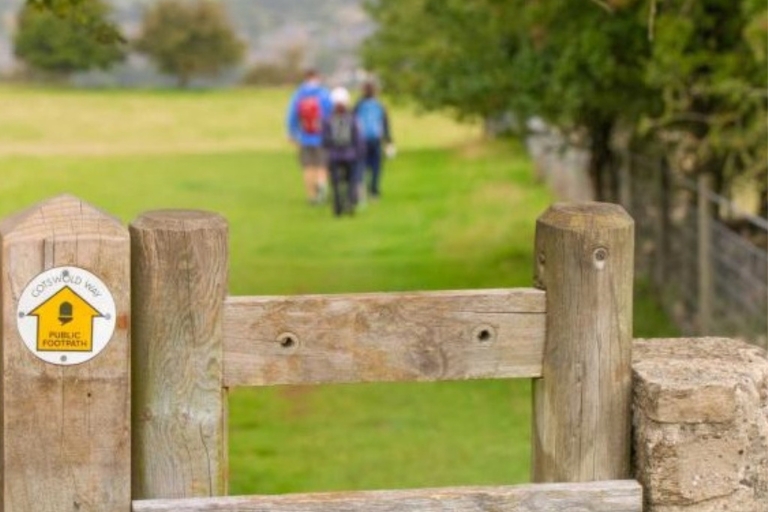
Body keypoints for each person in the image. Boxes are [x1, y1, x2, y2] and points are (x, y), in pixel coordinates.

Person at [286, 69, 333, 204]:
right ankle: (322, 190)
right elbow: (330, 114)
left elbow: (292, 117)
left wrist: (292, 133)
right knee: (322, 166)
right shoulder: (323, 94)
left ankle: (311, 196)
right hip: (322, 137)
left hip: (305, 137)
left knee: (308, 167)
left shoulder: (298, 95)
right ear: (317, 78)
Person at [323, 86, 363, 217]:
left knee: (335, 183)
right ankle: (350, 203)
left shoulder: (328, 119)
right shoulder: (352, 119)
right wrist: (359, 153)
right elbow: (357, 138)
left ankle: (337, 206)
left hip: (334, 156)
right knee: (351, 180)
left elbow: (325, 139)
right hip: (350, 155)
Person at [353, 80, 393, 200]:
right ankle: (374, 191)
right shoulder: (379, 105)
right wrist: (389, 140)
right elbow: (385, 124)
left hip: (361, 139)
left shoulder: (358, 105)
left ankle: (362, 189)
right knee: (376, 166)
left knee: (362, 165)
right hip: (376, 138)